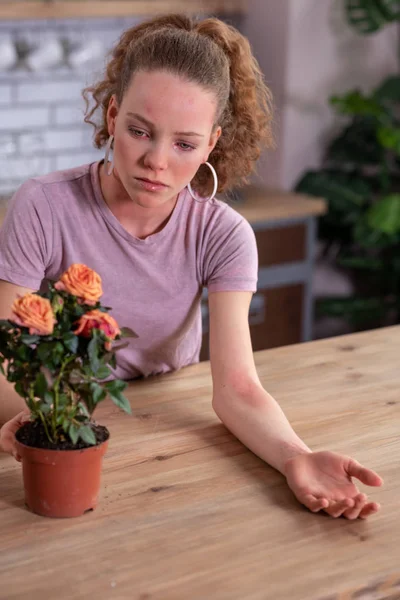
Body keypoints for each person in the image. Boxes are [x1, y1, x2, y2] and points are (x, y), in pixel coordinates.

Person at [0, 14, 382, 518]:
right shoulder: (44, 206)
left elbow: (236, 389)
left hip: (163, 424)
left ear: (211, 143)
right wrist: (38, 421)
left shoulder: (222, 235)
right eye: (139, 130)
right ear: (112, 117)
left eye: (184, 143)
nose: (156, 160)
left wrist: (298, 457)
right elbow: (5, 351)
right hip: (60, 422)